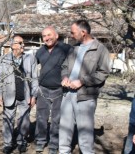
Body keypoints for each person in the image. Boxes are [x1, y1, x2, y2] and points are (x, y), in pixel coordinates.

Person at [59, 19, 110, 153]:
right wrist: (64, 77)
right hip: (67, 94)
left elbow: (103, 73)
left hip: (86, 96)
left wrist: (82, 81)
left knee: (85, 134)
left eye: (73, 32)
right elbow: (64, 66)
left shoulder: (100, 49)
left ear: (83, 32)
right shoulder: (73, 48)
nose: (71, 35)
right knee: (64, 129)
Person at [0, 35, 39, 154]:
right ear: (13, 45)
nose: (23, 45)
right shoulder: (4, 59)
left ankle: (21, 142)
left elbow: (35, 78)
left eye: (23, 43)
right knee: (8, 120)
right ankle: (8, 144)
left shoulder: (30, 59)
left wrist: (34, 95)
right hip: (8, 96)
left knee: (24, 121)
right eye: (20, 43)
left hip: (25, 96)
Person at [35, 26, 71, 153]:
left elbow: (73, 66)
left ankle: (54, 145)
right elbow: (33, 68)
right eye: (44, 36)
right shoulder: (40, 51)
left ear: (56, 35)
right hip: (43, 89)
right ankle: (40, 141)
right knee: (41, 117)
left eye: (49, 35)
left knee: (56, 119)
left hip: (59, 90)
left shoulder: (66, 49)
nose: (47, 38)